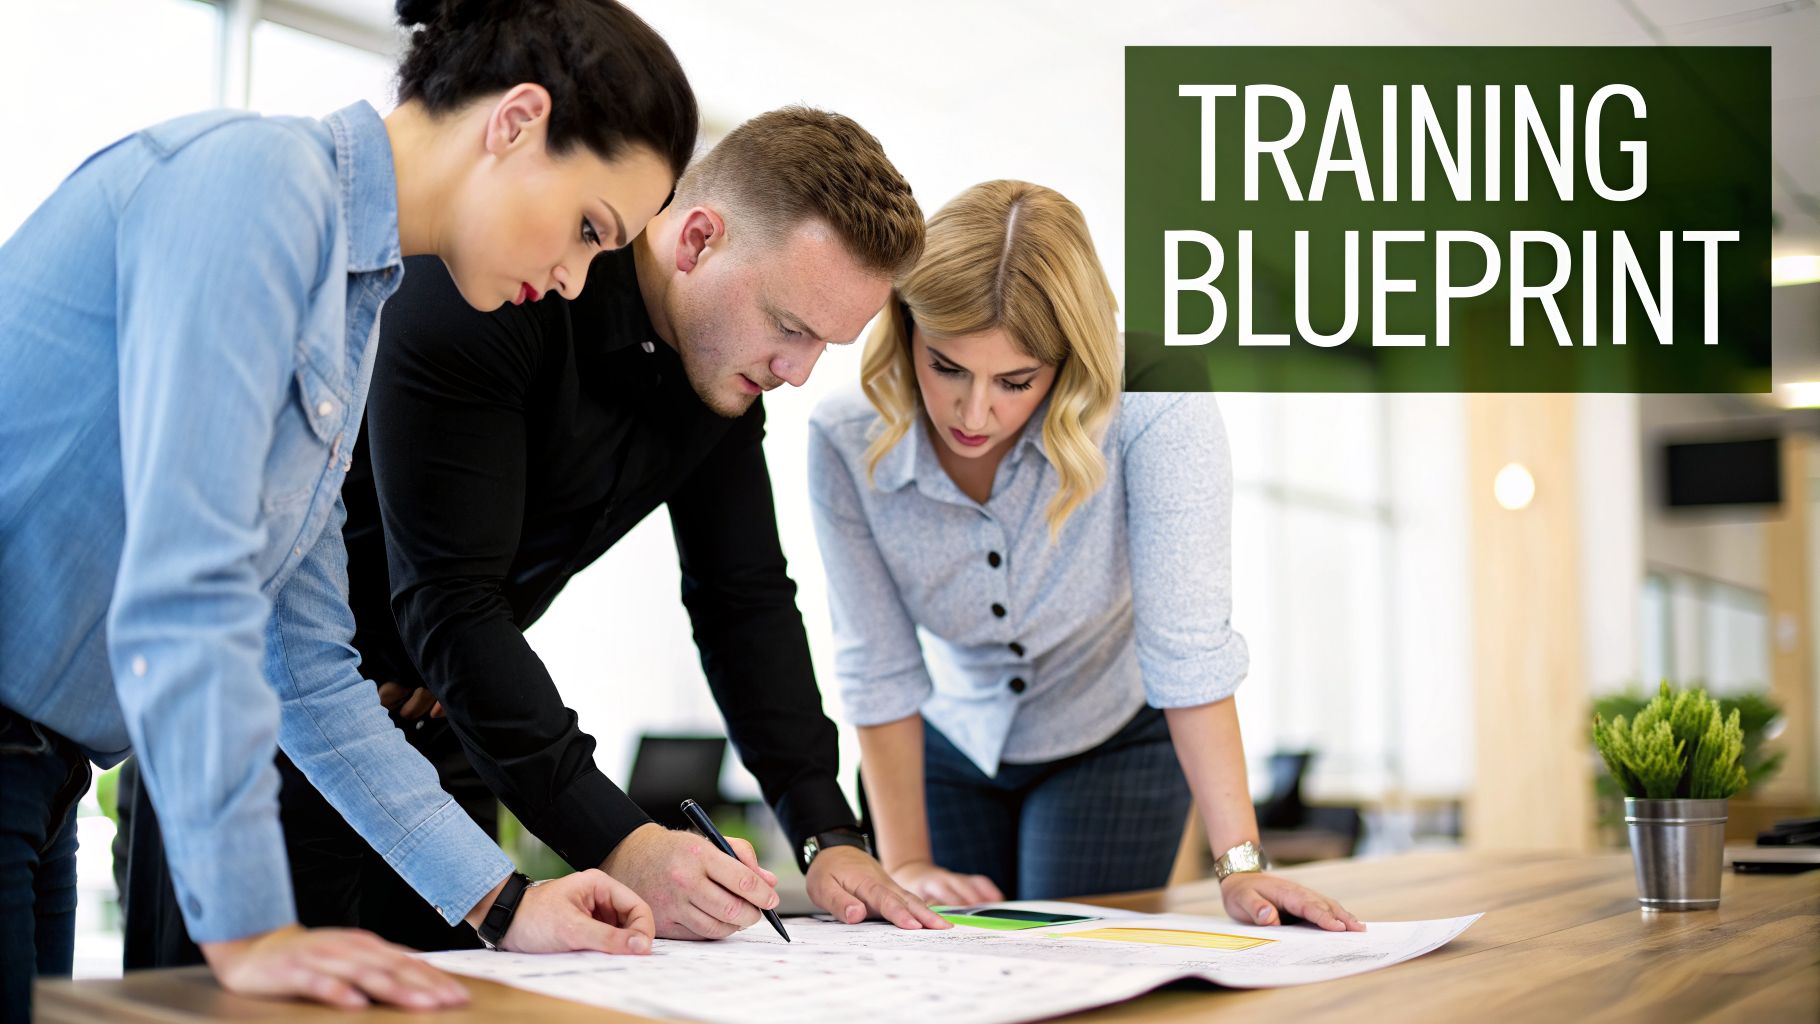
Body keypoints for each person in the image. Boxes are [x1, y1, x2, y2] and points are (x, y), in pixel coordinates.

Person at [0, 0, 697, 1015]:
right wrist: (250, 929)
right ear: (516, 122)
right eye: (589, 229)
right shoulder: (258, 185)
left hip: (45, 773)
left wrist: (503, 901)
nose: (573, 277)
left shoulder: (347, 303)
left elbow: (311, 668)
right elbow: (189, 587)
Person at [126, 106, 949, 964]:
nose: (798, 373)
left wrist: (827, 832)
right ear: (699, 239)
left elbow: (744, 600)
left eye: (826, 345)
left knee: (454, 1005)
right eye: (790, 327)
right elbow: (452, 600)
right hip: (269, 730)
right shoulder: (509, 282)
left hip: (447, 739)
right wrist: (622, 841)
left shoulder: (723, 378)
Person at [807, 181, 1366, 930]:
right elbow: (877, 665)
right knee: (941, 954)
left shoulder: (1153, 400)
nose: (975, 412)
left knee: (1067, 956)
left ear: (1068, 362)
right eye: (947, 367)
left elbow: (1187, 646)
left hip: (1109, 737)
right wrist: (904, 863)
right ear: (905, 328)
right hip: (945, 742)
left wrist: (1242, 865)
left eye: (1016, 381)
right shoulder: (844, 438)